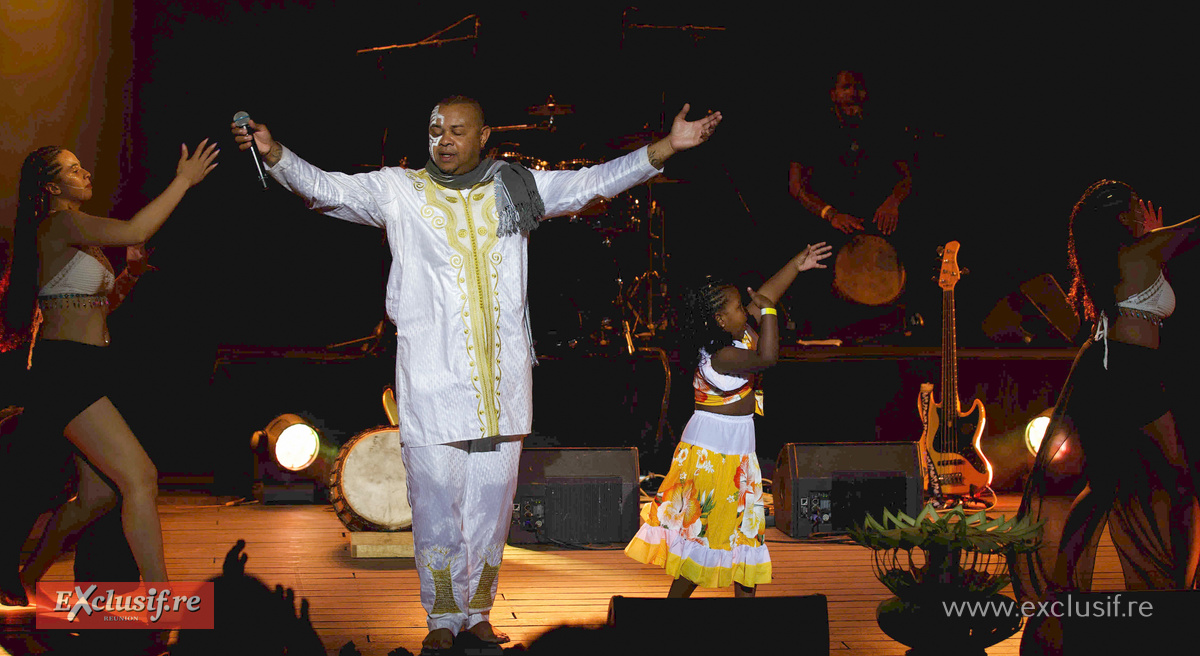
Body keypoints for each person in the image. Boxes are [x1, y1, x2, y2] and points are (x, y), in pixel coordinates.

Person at [232, 95, 721, 653]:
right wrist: (274, 155)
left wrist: (666, 148)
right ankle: (442, 618)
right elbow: (328, 190)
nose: (443, 139)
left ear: (485, 135)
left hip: (502, 387)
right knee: (437, 508)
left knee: (489, 510)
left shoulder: (515, 188)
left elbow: (592, 183)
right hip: (432, 385)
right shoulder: (401, 190)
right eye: (435, 129)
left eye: (457, 131)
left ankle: (478, 613)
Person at [0, 141, 219, 608]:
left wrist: (130, 276)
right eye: (72, 170)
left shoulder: (80, 236)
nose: (84, 174)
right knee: (141, 477)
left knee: (97, 497)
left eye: (82, 166)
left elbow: (100, 310)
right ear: (52, 185)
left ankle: (29, 576)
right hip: (67, 371)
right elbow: (137, 226)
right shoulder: (60, 224)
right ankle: (160, 599)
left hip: (88, 366)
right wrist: (184, 180)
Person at [1009, 180, 1200, 653]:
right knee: (1174, 487)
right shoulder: (1143, 250)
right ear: (1122, 217)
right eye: (1139, 206)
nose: (1147, 210)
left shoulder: (1128, 254)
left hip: (1115, 369)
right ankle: (1175, 595)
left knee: (1113, 486)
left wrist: (1151, 233)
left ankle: (1067, 595)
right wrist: (1157, 233)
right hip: (1128, 374)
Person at [624, 242, 832, 598]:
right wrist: (770, 314)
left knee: (744, 536)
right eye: (738, 307)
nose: (745, 309)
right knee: (704, 538)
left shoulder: (732, 332)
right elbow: (768, 358)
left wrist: (796, 264)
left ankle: (743, 624)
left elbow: (764, 293)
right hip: (713, 453)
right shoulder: (721, 354)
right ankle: (664, 619)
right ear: (720, 319)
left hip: (739, 450)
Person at [787, 69, 919, 339]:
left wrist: (893, 201)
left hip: (875, 226)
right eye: (846, 87)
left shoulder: (883, 127)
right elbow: (796, 186)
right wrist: (830, 213)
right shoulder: (812, 129)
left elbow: (907, 177)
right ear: (833, 94)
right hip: (830, 229)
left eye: (859, 87)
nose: (854, 94)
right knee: (827, 315)